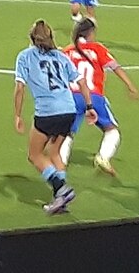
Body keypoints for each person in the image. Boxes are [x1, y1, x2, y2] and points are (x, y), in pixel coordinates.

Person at [13, 19, 97, 215]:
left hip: (47, 112)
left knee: (34, 155)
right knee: (54, 153)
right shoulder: (61, 56)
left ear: (32, 38)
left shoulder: (25, 57)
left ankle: (61, 188)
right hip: (68, 110)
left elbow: (19, 88)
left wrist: (17, 114)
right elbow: (81, 82)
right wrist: (89, 106)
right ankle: (61, 201)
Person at [60, 17, 139, 176]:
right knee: (112, 130)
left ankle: (60, 162)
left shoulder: (68, 50)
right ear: (90, 33)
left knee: (67, 132)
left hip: (71, 97)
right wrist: (130, 86)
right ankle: (103, 157)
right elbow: (115, 67)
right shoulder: (98, 49)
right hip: (94, 97)